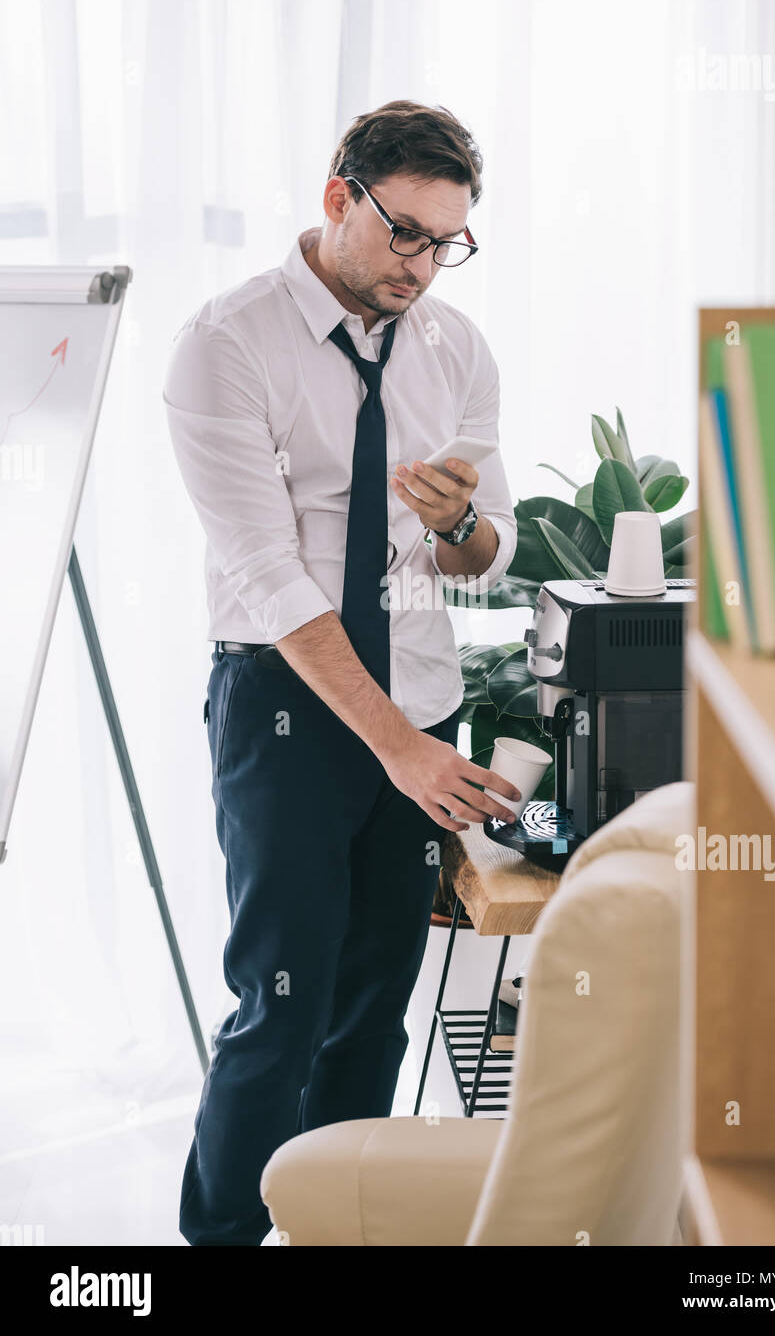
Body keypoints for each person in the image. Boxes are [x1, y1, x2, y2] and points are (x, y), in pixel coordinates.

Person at [164, 99, 520, 1246]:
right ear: (338, 198)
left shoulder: (457, 349)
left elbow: (484, 556)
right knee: (279, 1003)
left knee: (374, 1014)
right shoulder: (226, 342)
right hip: (288, 705)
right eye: (407, 233)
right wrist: (399, 747)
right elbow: (269, 575)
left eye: (447, 241)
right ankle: (214, 1241)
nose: (425, 265)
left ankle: (340, 1235)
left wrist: (462, 519)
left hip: (419, 693)